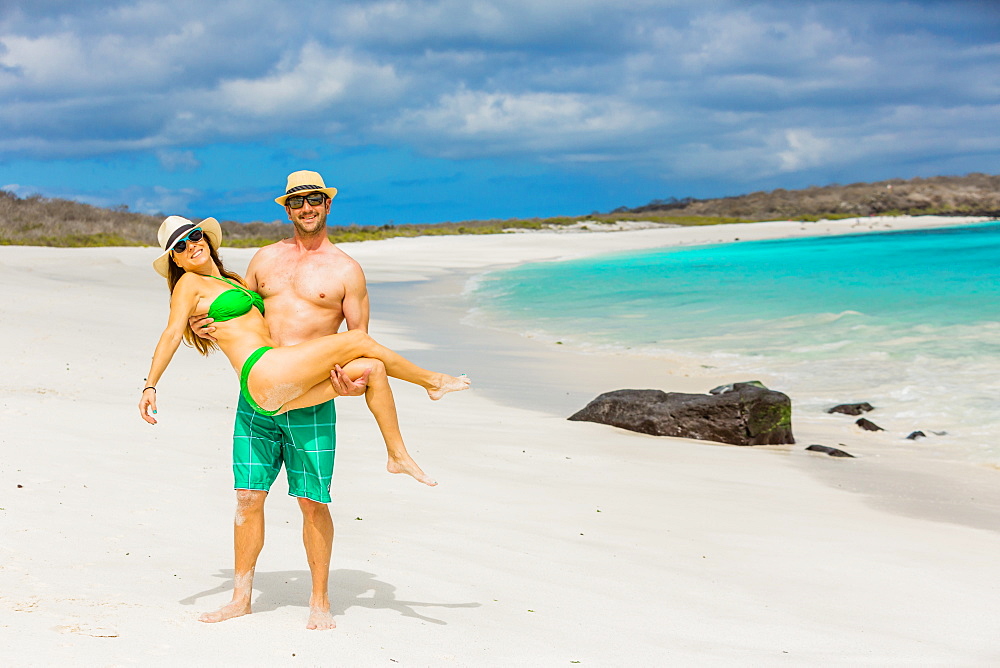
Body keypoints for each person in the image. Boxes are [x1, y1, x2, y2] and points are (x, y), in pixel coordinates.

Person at [139, 171, 469, 630]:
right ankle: (241, 597)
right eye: (297, 202)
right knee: (247, 500)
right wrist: (184, 344)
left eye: (314, 200)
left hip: (310, 394)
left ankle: (320, 600)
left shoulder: (345, 270)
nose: (306, 208)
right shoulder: (261, 262)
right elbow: (222, 319)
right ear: (287, 208)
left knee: (316, 495)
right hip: (259, 393)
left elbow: (358, 338)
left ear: (327, 205)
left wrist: (351, 387)